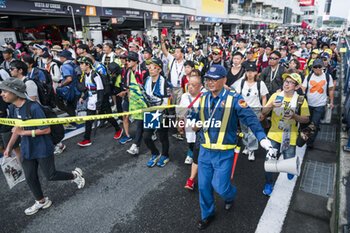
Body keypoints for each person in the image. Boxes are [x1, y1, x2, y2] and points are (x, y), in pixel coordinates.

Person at [195, 65, 275, 230]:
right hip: (204, 151)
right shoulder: (202, 98)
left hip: (224, 153)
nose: (210, 82)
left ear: (224, 80)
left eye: (214, 79)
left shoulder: (234, 99)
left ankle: (230, 196)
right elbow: (194, 116)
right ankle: (207, 214)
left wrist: (262, 138)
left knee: (221, 187)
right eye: (208, 79)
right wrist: (190, 122)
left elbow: (251, 119)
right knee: (203, 187)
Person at [1, 77, 85, 215]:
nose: (2, 94)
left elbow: (46, 129)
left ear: (15, 92)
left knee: (50, 175)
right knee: (30, 176)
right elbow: (17, 128)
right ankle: (41, 201)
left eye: (5, 91)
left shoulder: (33, 107)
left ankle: (75, 176)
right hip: (27, 147)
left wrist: (23, 132)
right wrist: (9, 147)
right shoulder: (13, 108)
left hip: (42, 146)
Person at [260, 73, 310, 195]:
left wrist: (294, 116)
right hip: (273, 135)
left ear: (297, 87)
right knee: (269, 162)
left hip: (290, 137)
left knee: (289, 163)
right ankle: (269, 184)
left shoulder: (300, 100)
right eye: (285, 81)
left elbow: (306, 119)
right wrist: (271, 105)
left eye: (290, 82)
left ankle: (289, 169)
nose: (286, 84)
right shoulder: (276, 95)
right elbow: (263, 112)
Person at [232, 63, 268, 161]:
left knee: (252, 131)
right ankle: (247, 145)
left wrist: (263, 111)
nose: (250, 73)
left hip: (255, 109)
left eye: (252, 71)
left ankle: (252, 149)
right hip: (243, 109)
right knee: (244, 130)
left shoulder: (260, 83)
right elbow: (237, 95)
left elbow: (264, 97)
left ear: (256, 72)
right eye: (248, 71)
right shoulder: (242, 83)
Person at [143, 58, 171, 167]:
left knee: (162, 136)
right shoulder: (146, 80)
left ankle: (165, 155)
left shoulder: (164, 83)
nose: (151, 70)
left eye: (154, 68)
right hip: (150, 112)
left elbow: (166, 102)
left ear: (159, 70)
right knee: (146, 136)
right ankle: (155, 153)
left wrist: (157, 111)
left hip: (162, 112)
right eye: (149, 67)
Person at [301, 59, 334, 149]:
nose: (318, 69)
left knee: (314, 124)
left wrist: (331, 101)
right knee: (307, 123)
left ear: (323, 67)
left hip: (320, 105)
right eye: (316, 67)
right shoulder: (309, 76)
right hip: (308, 104)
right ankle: (306, 138)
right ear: (312, 68)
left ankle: (309, 142)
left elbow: (331, 89)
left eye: (320, 67)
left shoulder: (328, 77)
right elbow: (303, 88)